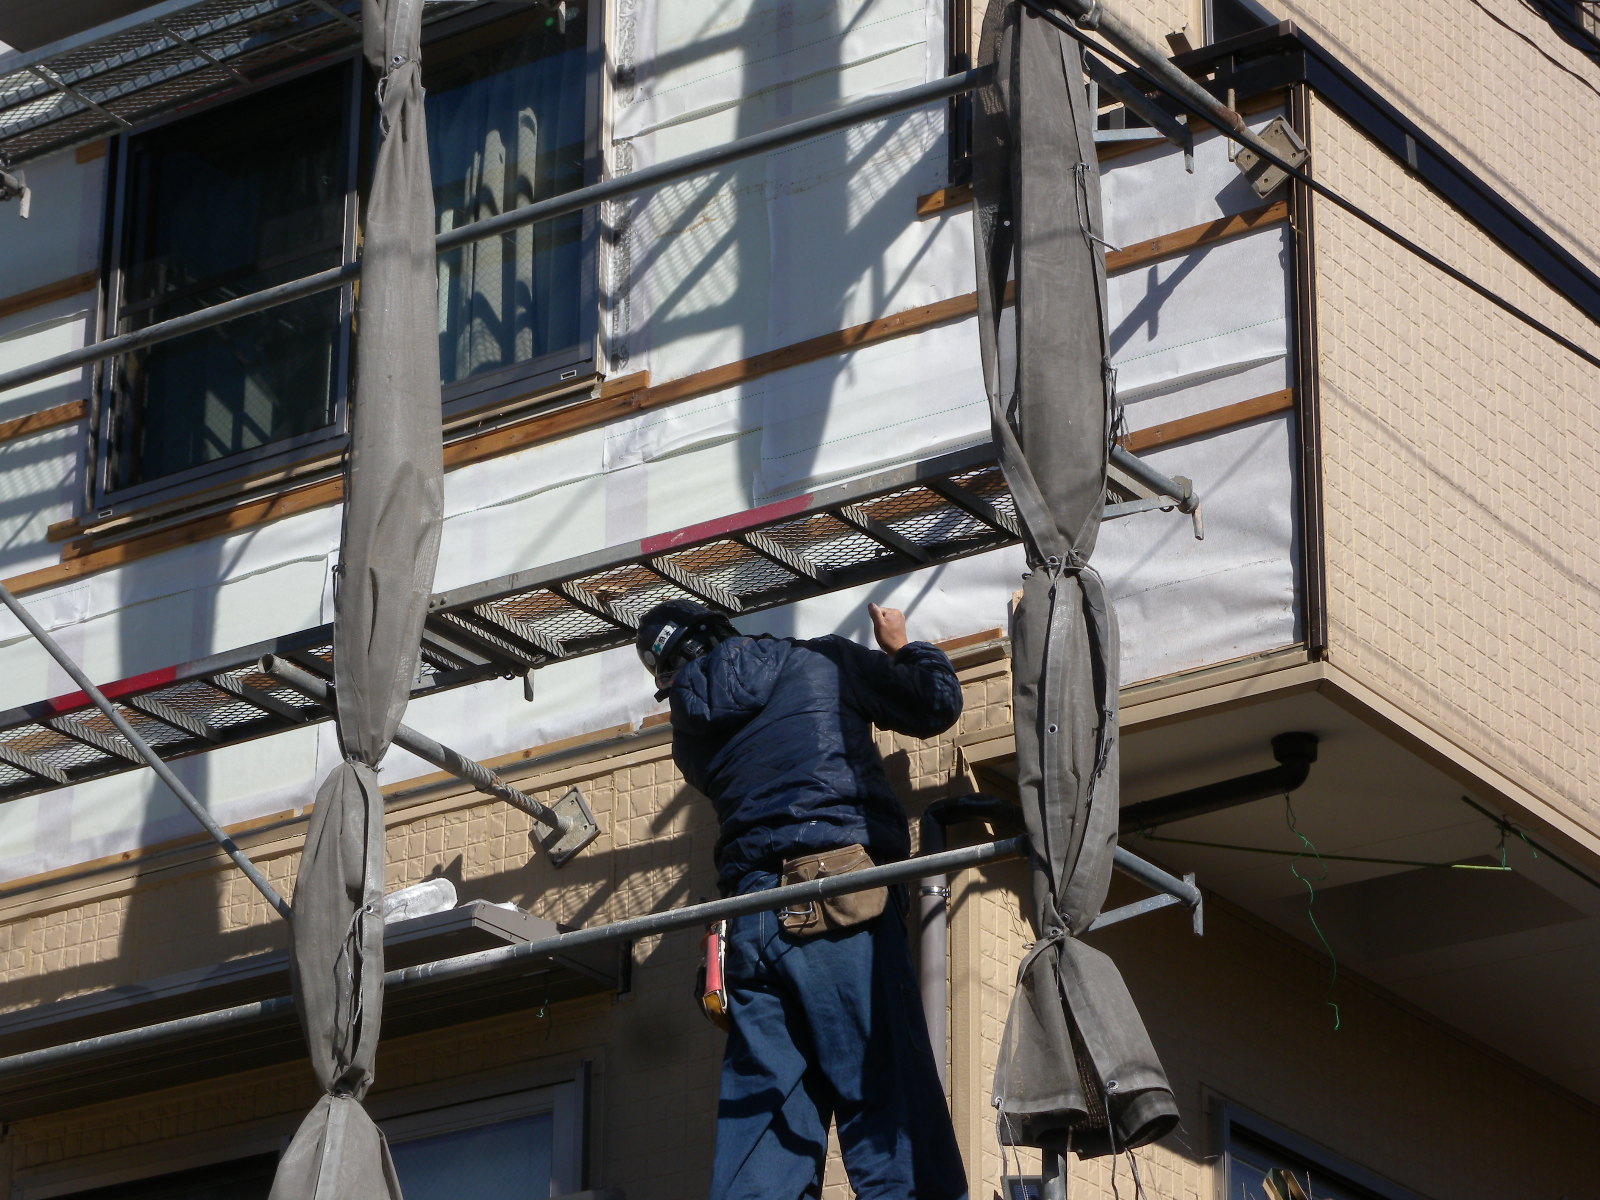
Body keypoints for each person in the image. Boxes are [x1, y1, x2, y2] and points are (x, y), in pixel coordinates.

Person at [636, 598, 970, 1200]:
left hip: (748, 927)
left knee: (765, 1125)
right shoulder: (819, 662)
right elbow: (935, 703)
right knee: (889, 1100)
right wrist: (901, 647)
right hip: (835, 904)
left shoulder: (690, 738)